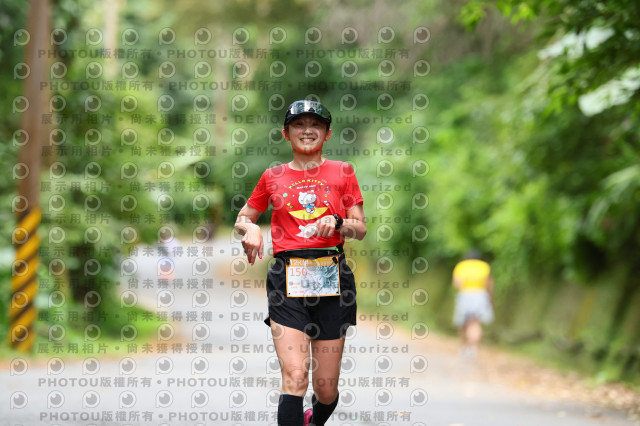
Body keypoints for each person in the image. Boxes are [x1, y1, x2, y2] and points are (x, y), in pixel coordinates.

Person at [234, 100, 366, 426]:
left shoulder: (343, 171)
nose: (307, 130)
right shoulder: (272, 176)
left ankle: (314, 420)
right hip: (287, 278)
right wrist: (251, 229)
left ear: (327, 133)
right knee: (295, 376)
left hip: (332, 276)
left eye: (315, 124)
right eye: (299, 124)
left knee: (326, 388)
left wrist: (338, 222)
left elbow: (360, 228)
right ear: (286, 133)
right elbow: (243, 218)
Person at [452, 249, 494, 358]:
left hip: (465, 294)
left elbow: (457, 283)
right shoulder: (484, 266)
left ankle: (464, 346)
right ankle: (473, 348)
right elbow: (489, 283)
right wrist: (489, 297)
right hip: (480, 295)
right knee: (475, 323)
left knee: (463, 323)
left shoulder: (462, 266)